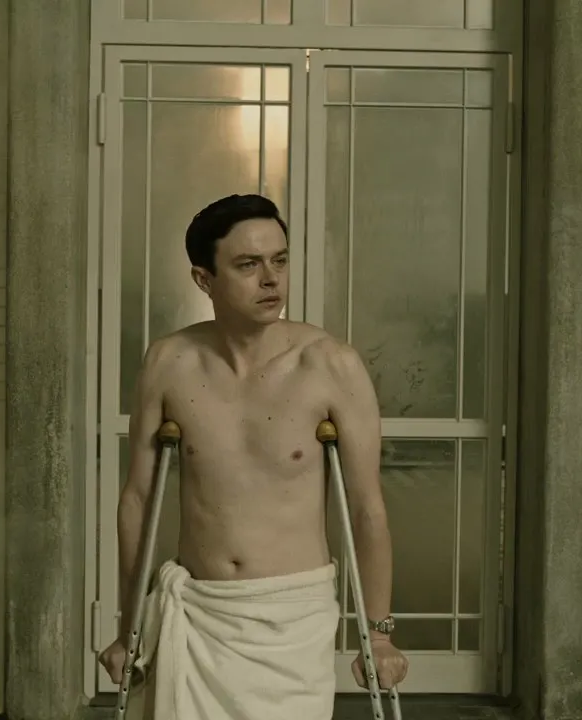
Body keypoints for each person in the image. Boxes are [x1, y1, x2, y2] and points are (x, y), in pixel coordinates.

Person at [99, 194, 408, 719]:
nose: (271, 279)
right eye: (248, 265)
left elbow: (366, 509)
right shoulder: (169, 362)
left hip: (291, 621)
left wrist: (378, 635)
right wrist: (128, 627)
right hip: (199, 615)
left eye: (279, 261)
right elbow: (136, 501)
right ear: (204, 279)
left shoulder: (329, 364)